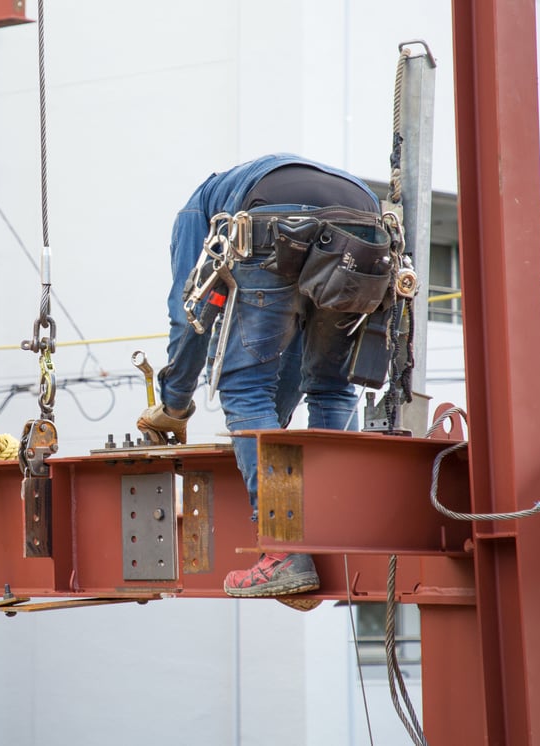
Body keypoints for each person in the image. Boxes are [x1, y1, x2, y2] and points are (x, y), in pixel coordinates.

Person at [138, 153, 389, 597]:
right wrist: (276, 424)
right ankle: (327, 525)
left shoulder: (195, 211)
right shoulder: (255, 180)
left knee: (244, 386)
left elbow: (190, 317)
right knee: (332, 385)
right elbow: (290, 342)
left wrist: (174, 406)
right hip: (364, 220)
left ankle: (284, 550)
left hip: (274, 221)